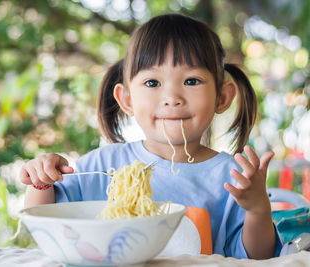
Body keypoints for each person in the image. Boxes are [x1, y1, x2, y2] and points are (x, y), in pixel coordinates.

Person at [19, 13, 282, 259]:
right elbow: (46, 219)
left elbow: (258, 258)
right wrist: (41, 183)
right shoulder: (101, 166)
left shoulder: (233, 178)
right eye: (152, 83)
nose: (172, 98)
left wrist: (258, 209)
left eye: (191, 81)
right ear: (127, 99)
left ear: (222, 97)